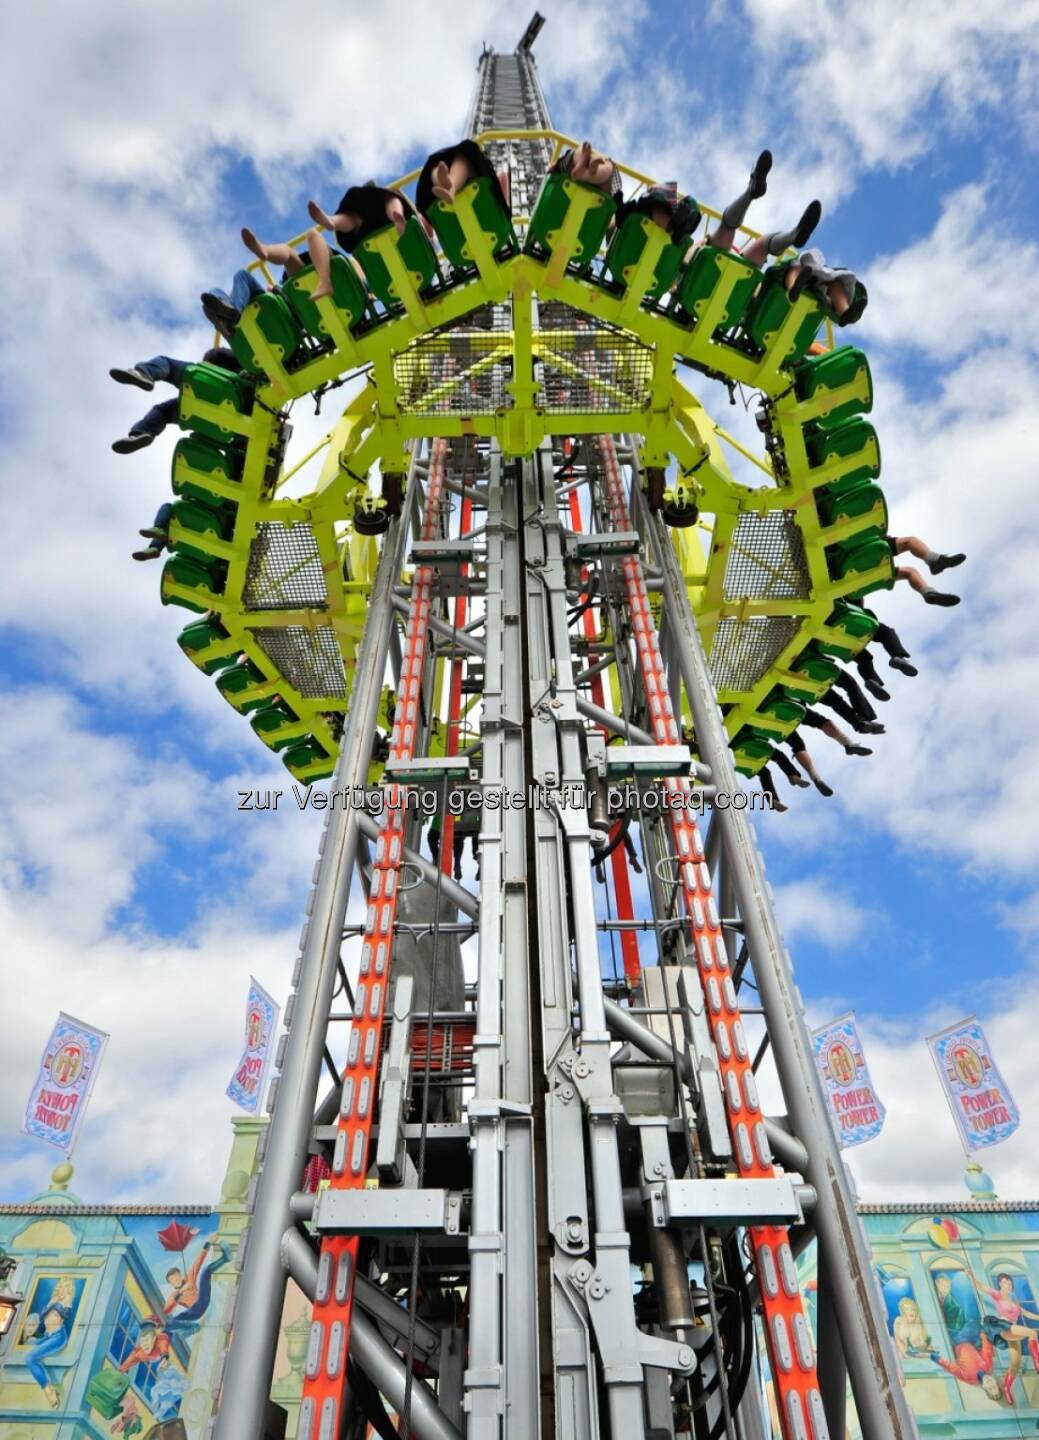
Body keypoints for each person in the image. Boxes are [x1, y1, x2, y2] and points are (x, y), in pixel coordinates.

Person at [109, 348, 243, 453]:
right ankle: (140, 435)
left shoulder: (221, 358)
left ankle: (145, 372)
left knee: (167, 365)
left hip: (216, 390)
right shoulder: (247, 369)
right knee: (164, 410)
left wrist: (207, 361)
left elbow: (217, 356)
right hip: (235, 414)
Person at [416, 140, 512, 218]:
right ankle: (449, 185)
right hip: (485, 212)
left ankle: (448, 185)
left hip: (455, 224)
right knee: (462, 159)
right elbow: (502, 186)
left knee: (451, 162)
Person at [23, 1276, 77, 1407]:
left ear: (69, 1289)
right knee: (29, 1342)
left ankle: (48, 1390)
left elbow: (64, 1314)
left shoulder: (67, 1302)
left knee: (30, 1357)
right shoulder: (55, 1300)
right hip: (48, 1335)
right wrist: (53, 1302)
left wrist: (55, 1302)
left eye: (64, 1287)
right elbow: (42, 1317)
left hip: (58, 1337)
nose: (61, 1290)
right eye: (60, 1287)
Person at [163, 1239, 230, 1334]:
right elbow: (167, 1309)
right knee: (168, 1324)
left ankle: (225, 1259)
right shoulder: (174, 1295)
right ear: (171, 1284)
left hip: (202, 1300)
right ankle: (192, 1328)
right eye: (172, 1280)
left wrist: (205, 1248)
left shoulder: (189, 1278)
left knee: (205, 1271)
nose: (175, 1280)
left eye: (176, 1276)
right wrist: (178, 1295)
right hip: (194, 1312)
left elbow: (197, 1264)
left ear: (181, 1275)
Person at [889, 535, 965, 607]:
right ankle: (935, 561)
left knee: (910, 571)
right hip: (878, 545)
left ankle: (930, 594)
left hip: (879, 569)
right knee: (910, 541)